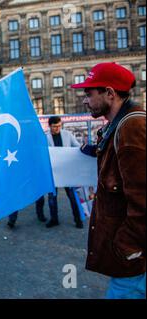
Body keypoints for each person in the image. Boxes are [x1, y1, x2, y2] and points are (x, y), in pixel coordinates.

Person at [72, 62, 145, 299]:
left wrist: (126, 246)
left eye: (89, 93)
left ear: (110, 93)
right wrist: (96, 150)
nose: (85, 100)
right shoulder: (120, 126)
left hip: (134, 260)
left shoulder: (132, 126)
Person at [37, 116, 83, 229]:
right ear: (50, 126)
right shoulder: (45, 137)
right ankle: (54, 219)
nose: (57, 128)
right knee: (52, 197)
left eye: (59, 126)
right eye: (54, 126)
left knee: (72, 197)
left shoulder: (67, 134)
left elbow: (77, 147)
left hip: (67, 171)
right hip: (53, 172)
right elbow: (41, 154)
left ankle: (78, 220)